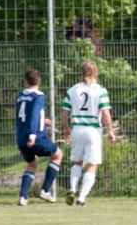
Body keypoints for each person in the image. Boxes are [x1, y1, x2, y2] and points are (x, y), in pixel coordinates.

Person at [62, 61, 116, 206]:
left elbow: (65, 112)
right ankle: (81, 198)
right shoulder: (100, 90)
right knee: (92, 165)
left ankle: (72, 189)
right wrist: (110, 131)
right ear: (96, 73)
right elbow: (106, 113)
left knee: (77, 162)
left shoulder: (72, 90)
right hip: (93, 131)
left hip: (77, 129)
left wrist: (66, 129)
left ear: (81, 73)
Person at [15, 69, 63, 206]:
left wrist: (43, 121)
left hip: (21, 138)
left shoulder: (20, 96)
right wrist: (32, 135)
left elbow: (25, 116)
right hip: (35, 137)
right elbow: (35, 114)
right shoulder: (39, 96)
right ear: (39, 81)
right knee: (58, 155)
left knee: (32, 163)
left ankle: (23, 197)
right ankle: (45, 191)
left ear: (25, 81)